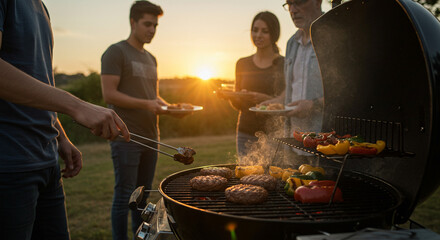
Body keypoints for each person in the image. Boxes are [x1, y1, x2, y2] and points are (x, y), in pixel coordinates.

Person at [0, 1, 130, 240]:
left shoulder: (40, 6)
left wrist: (60, 134)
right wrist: (76, 105)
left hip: (47, 160)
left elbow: (40, 78)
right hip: (9, 166)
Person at [100, 1, 186, 239]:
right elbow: (110, 94)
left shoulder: (152, 58)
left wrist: (172, 108)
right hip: (126, 136)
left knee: (143, 197)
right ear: (133, 22)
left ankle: (140, 236)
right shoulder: (115, 52)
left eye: (155, 25)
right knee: (124, 196)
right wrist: (148, 104)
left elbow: (153, 97)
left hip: (151, 136)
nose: (152, 30)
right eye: (147, 24)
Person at [263, 0, 324, 163]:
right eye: (289, 4)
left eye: (298, 3)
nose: (293, 10)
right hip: (293, 142)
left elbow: (347, 92)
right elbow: (293, 88)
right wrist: (275, 103)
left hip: (325, 145)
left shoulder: (333, 37)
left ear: (318, 2)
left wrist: (314, 105)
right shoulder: (291, 43)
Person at [220, 11, 285, 160]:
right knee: (246, 178)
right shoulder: (242, 63)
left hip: (275, 134)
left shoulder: (283, 64)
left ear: (274, 34)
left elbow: (287, 100)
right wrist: (232, 96)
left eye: (265, 31)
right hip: (245, 132)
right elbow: (238, 106)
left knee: (273, 179)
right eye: (255, 30)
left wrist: (266, 99)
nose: (258, 35)